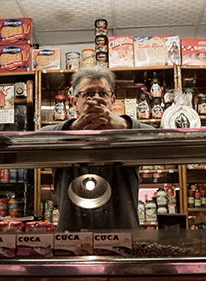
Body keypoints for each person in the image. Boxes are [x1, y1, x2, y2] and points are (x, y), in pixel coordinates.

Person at [38, 66, 154, 232]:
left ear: (112, 101)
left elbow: (160, 138)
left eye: (103, 94)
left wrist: (123, 125)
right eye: (88, 94)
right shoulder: (61, 134)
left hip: (123, 239)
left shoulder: (128, 134)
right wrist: (73, 129)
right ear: (74, 103)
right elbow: (35, 140)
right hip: (71, 240)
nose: (96, 100)